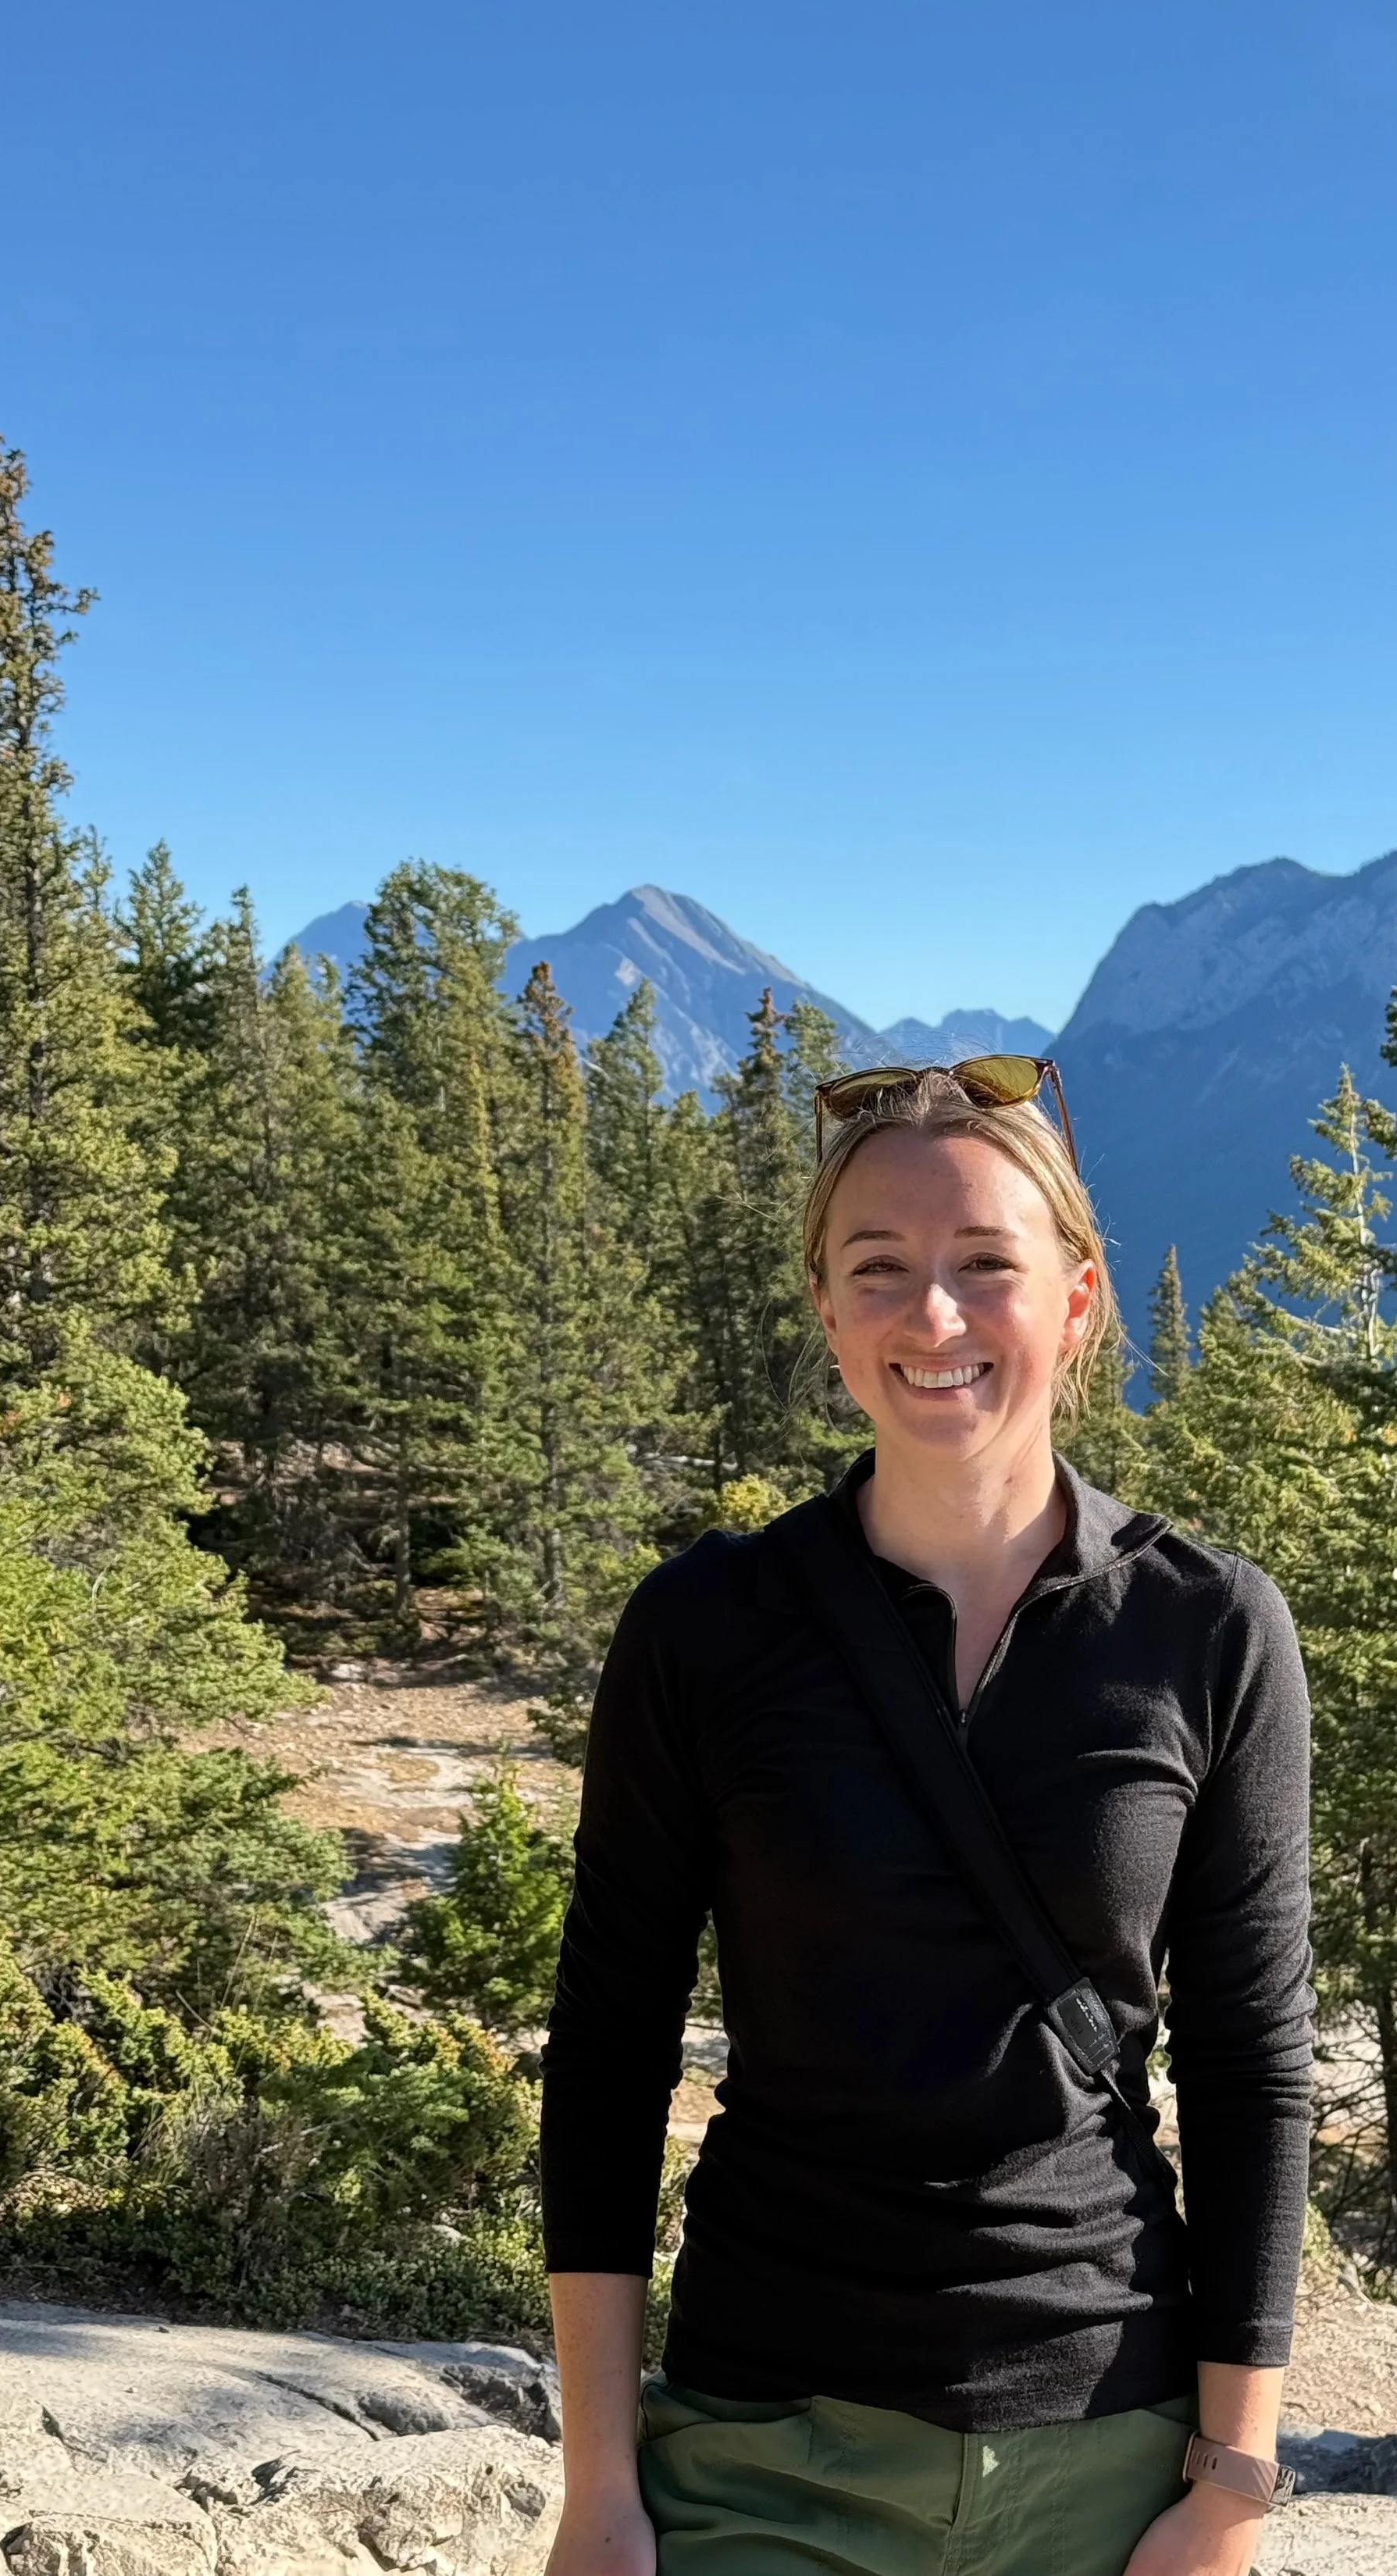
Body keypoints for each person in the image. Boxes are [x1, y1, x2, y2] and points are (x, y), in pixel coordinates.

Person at [541, 1058, 1313, 2576]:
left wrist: (1225, 2489)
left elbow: (1251, 2066)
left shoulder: (1207, 1626)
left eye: (984, 1266)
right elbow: (609, 2050)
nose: (933, 1316)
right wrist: (598, 2485)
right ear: (825, 1309)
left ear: (1077, 1299)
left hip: (1109, 2442)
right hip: (765, 2448)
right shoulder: (706, 1627)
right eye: (878, 1269)